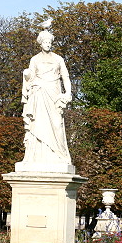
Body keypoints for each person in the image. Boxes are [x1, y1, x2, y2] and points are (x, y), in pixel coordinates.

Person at [20, 29, 72, 165]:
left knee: (56, 124)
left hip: (54, 93)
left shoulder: (58, 59)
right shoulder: (35, 59)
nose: (48, 44)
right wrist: (26, 74)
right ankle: (36, 157)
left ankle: (59, 155)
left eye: (50, 42)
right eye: (46, 42)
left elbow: (65, 77)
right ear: (41, 43)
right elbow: (31, 76)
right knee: (37, 123)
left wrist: (68, 93)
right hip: (39, 92)